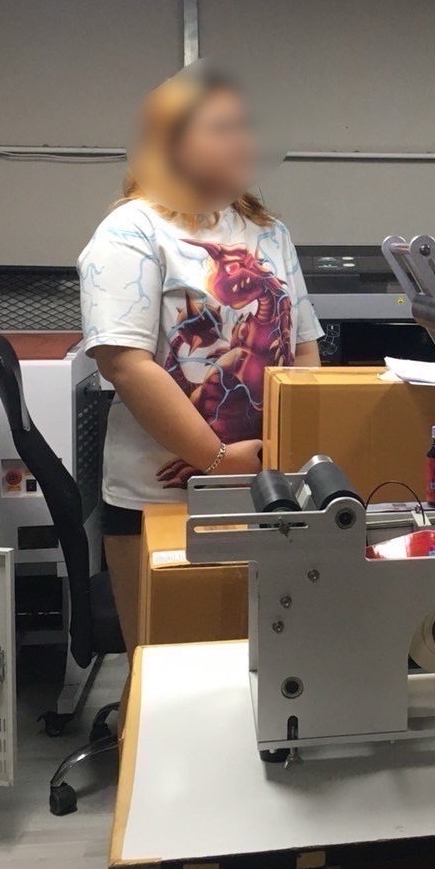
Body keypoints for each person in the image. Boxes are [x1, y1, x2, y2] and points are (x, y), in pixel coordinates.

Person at [77, 62, 322, 653]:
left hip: (268, 487)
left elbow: (303, 347)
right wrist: (215, 458)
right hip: (163, 499)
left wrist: (279, 447)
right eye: (222, 128)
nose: (243, 141)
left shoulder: (269, 233)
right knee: (170, 672)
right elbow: (124, 364)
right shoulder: (132, 231)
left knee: (264, 664)